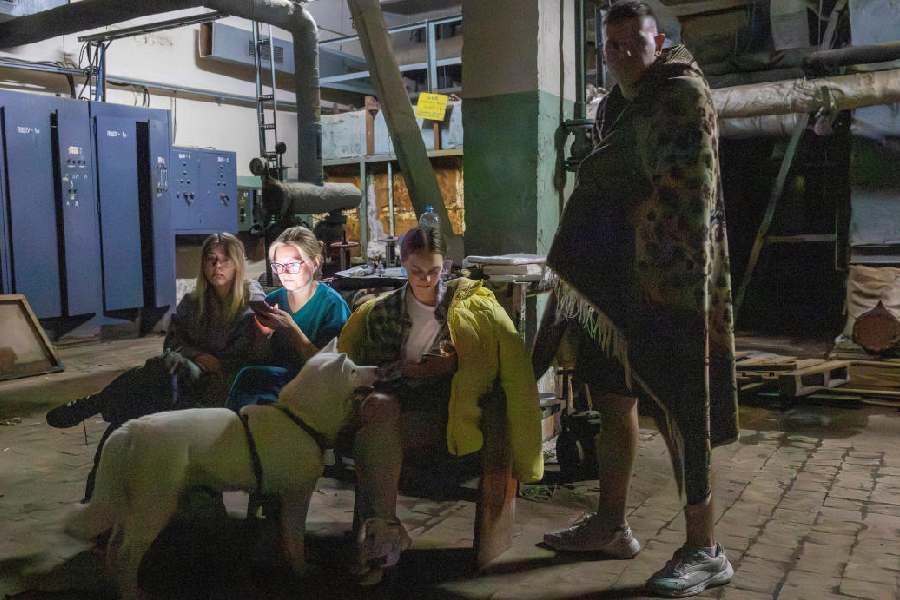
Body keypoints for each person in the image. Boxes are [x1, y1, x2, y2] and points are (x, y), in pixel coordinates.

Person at [532, 2, 738, 597]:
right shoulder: (616, 105)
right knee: (611, 396)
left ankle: (705, 547)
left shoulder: (681, 94)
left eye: (633, 42)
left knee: (680, 408)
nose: (622, 54)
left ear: (660, 41)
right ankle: (611, 523)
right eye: (612, 45)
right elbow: (610, 173)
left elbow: (620, 176)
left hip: (672, 281)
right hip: (617, 282)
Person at [337, 226, 544, 583]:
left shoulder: (463, 309)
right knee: (378, 414)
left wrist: (448, 366)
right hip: (399, 398)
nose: (426, 279)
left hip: (445, 409)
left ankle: (379, 541)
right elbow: (374, 370)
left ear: (445, 265)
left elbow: (486, 371)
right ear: (403, 265)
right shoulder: (384, 311)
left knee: (377, 434)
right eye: (417, 271)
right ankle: (384, 538)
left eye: (434, 271)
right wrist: (411, 370)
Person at [46, 232, 270, 500]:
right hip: (182, 375)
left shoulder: (250, 301)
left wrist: (210, 361)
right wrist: (199, 356)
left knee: (157, 374)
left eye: (225, 261)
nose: (217, 267)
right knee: (133, 408)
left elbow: (253, 348)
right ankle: (95, 500)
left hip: (222, 381)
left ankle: (95, 403)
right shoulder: (193, 302)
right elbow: (171, 343)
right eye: (211, 260)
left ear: (237, 264)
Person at [226, 226, 350, 409]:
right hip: (274, 382)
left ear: (315, 262)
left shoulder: (332, 305)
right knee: (249, 376)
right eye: (278, 266)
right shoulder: (272, 300)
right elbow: (258, 358)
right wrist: (263, 336)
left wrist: (292, 330)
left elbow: (332, 369)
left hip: (313, 385)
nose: (284, 272)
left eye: (292, 265)